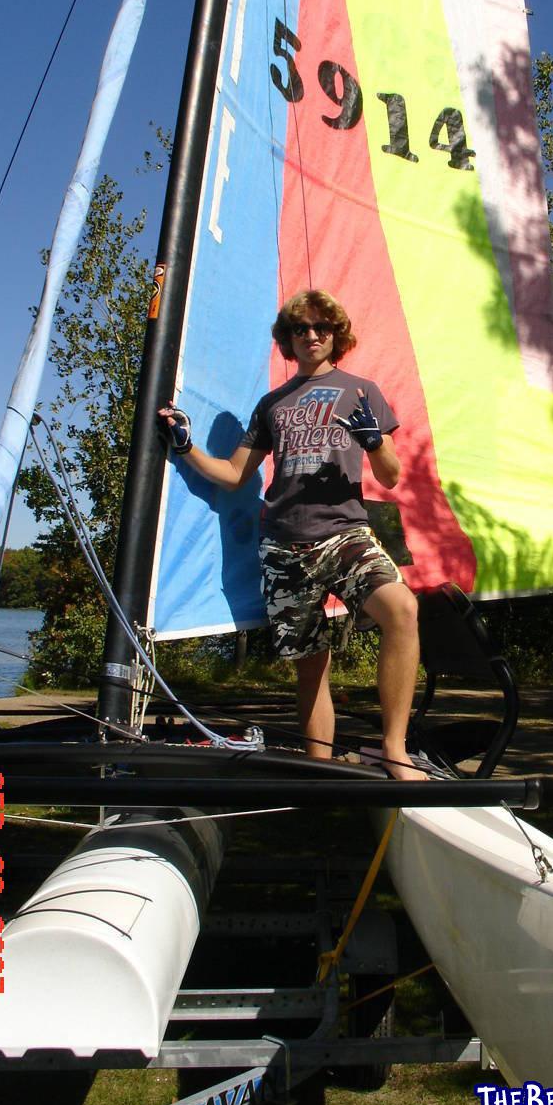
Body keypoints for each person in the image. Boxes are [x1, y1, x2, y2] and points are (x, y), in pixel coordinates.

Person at [158, 289, 425, 780]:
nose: (311, 335)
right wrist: (187, 447)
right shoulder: (271, 404)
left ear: (336, 334)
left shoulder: (362, 390)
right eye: (300, 329)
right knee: (310, 664)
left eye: (321, 327)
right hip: (282, 545)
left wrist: (373, 443)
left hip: (345, 534)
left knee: (403, 609)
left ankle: (394, 750)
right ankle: (318, 774)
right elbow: (237, 473)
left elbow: (390, 475)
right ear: (288, 340)